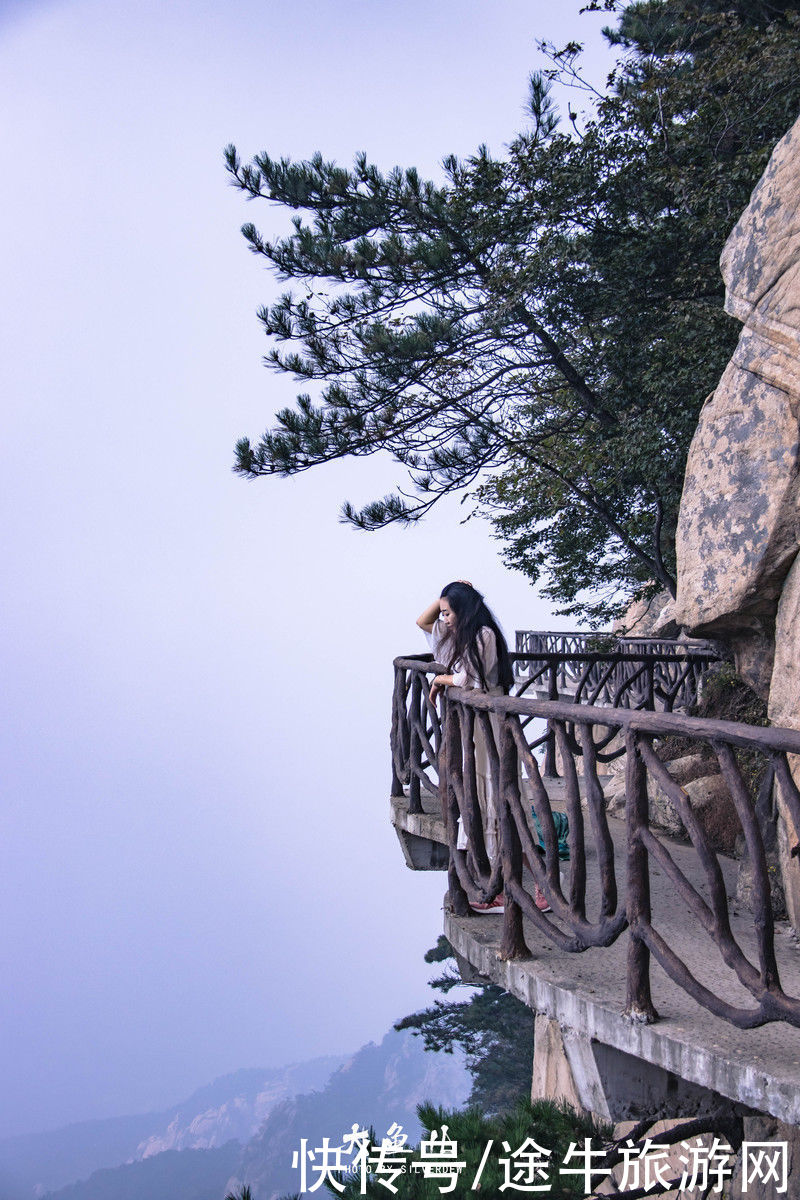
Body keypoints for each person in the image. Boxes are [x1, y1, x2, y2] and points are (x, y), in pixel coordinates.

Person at [416, 581, 513, 910]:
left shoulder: (483, 634)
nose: (443, 619)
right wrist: (445, 597)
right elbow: (422, 622)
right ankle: (495, 888)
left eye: (448, 613)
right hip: (476, 723)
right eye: (442, 613)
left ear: (465, 609)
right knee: (481, 799)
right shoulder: (460, 634)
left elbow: (466, 679)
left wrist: (438, 681)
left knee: (496, 799)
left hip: (488, 721)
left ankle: (511, 891)